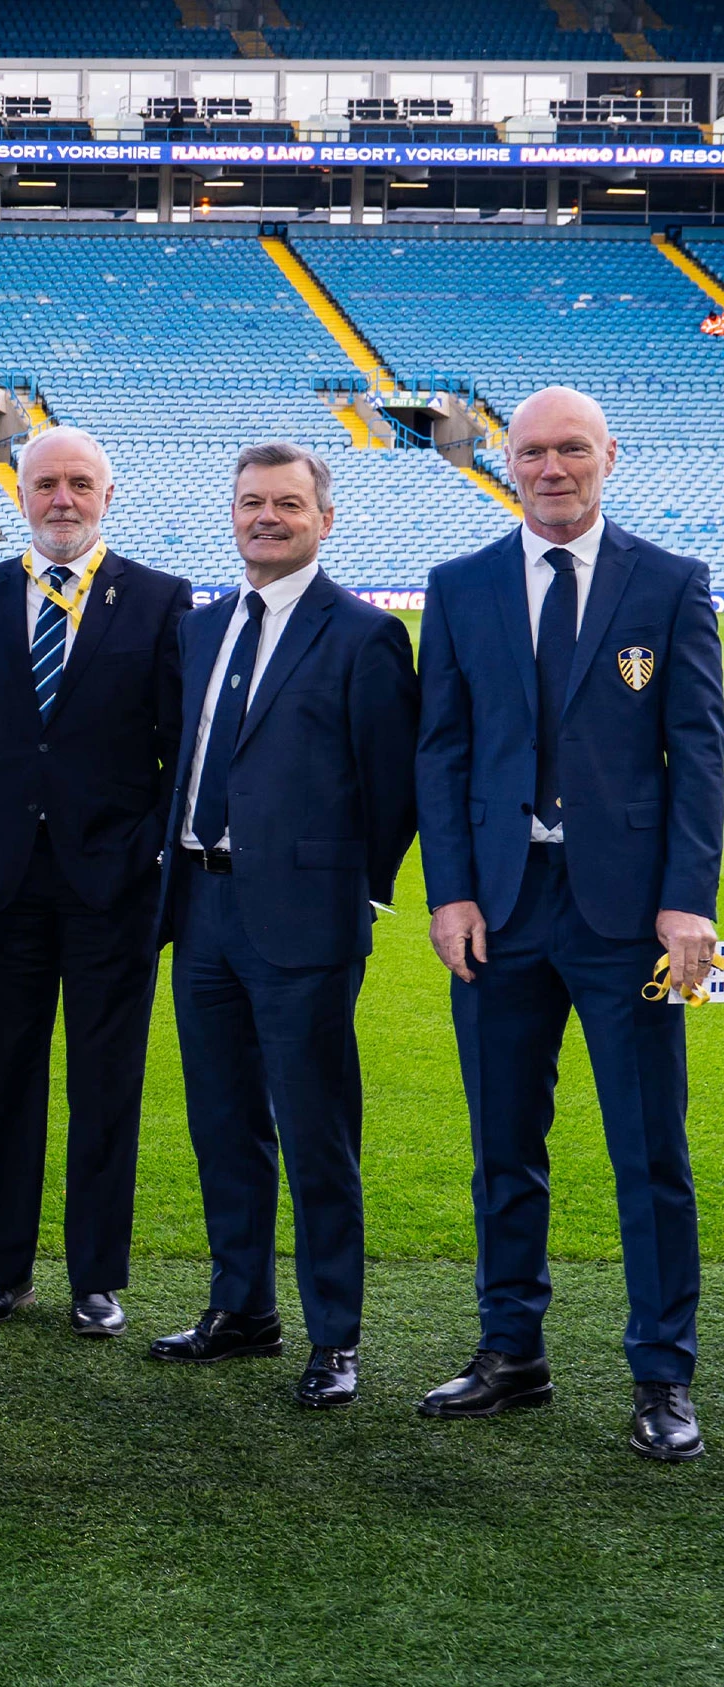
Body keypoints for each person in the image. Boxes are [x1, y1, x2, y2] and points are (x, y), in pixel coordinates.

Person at [415, 387, 722, 1461]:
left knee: (650, 1149)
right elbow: (442, 752)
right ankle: (512, 1352)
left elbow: (701, 755)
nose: (552, 467)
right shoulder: (460, 588)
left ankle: (662, 1371)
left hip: (630, 914)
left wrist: (691, 899)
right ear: (506, 463)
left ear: (609, 456)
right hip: (499, 911)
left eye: (572, 450)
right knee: (504, 1143)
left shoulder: (675, 584)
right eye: (534, 451)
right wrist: (449, 890)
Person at [149, 442, 417, 1410]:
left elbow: (393, 788)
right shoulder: (203, 627)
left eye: (288, 504)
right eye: (253, 502)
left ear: (324, 519)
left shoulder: (364, 634)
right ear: (232, 513)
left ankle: (335, 1335)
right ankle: (243, 1306)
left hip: (304, 920)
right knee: (223, 1121)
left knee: (315, 1132)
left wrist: (354, 891)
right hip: (200, 908)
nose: (268, 517)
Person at [0, 426, 188, 1340]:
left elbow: (176, 751)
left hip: (112, 884)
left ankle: (96, 1276)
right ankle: (1, 1270)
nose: (62, 499)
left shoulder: (159, 601)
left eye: (80, 483)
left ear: (107, 495)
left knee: (106, 1078)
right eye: (45, 484)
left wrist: (146, 851)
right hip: (0, 881)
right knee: (7, 1074)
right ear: (21, 495)